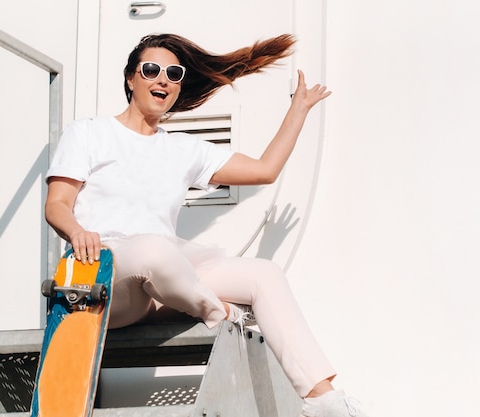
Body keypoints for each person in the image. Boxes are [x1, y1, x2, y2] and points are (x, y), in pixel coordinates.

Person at [44, 33, 368, 417]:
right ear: (131, 79)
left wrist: (298, 109)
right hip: (106, 278)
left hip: (165, 282)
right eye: (151, 70)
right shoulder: (89, 133)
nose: (162, 79)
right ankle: (217, 310)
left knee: (263, 275)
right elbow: (57, 205)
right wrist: (77, 231)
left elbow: (264, 170)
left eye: (174, 74)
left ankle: (323, 400)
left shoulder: (184, 149)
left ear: (179, 88)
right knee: (153, 249)